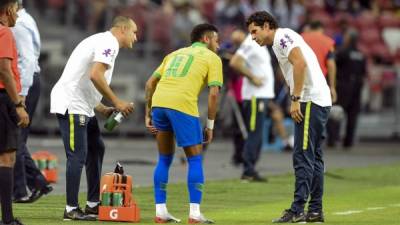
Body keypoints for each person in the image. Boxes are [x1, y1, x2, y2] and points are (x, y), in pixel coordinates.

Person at [246, 11, 331, 223]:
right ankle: (315, 210)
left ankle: (297, 209)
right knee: (314, 156)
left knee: (302, 156)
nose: (253, 37)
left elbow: (299, 63)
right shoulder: (281, 40)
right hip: (319, 99)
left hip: (310, 100)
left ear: (267, 25)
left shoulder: (282, 37)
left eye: (254, 31)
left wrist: (295, 98)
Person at [50, 16, 136, 221]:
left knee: (97, 147)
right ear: (123, 29)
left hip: (83, 106)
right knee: (77, 155)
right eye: (134, 32)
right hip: (72, 105)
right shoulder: (109, 43)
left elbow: (81, 76)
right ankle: (71, 208)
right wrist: (117, 102)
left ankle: (92, 204)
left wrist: (101, 108)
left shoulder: (101, 41)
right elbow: (95, 75)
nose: (136, 37)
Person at [145, 23, 222, 224]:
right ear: (206, 39)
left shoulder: (174, 54)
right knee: (195, 160)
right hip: (182, 105)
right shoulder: (212, 58)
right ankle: (195, 214)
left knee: (164, 158)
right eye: (216, 40)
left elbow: (150, 83)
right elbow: (214, 93)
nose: (219, 46)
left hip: (159, 104)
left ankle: (160, 211)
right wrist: (210, 125)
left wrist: (148, 114)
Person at [12, 0, 53, 204]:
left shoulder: (18, 24)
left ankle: (19, 190)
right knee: (17, 138)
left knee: (14, 138)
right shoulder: (27, 18)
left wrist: (22, 93)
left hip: (24, 82)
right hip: (29, 79)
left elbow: (26, 60)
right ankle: (37, 182)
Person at [229, 29, 275, 182]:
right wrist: (253, 77)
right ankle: (248, 169)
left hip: (261, 95)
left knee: (257, 133)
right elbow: (235, 62)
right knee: (254, 133)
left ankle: (251, 168)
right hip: (256, 96)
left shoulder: (256, 43)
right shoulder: (250, 42)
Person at [0, 0, 29, 224]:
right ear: (8, 10)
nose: (18, 16)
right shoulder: (4, 33)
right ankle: (8, 219)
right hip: (3, 99)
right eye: (16, 10)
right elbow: (5, 71)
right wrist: (18, 104)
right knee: (6, 158)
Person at [329, 29, 367, 148]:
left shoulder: (342, 52)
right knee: (352, 115)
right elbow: (364, 72)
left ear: (349, 38)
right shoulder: (361, 54)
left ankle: (333, 139)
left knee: (337, 111)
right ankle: (348, 141)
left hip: (343, 86)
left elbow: (333, 65)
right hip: (357, 87)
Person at [301, 20, 337, 103]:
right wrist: (332, 86)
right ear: (321, 29)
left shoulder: (300, 38)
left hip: (299, 78)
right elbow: (331, 64)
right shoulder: (328, 42)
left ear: (309, 28)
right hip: (317, 82)